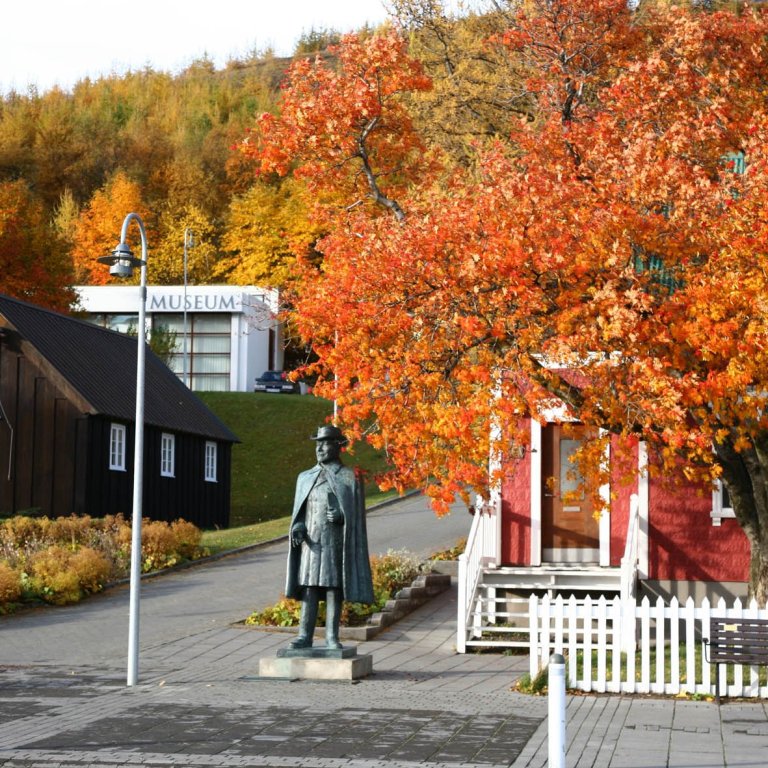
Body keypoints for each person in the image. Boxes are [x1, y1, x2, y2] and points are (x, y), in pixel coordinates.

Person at [285, 425, 374, 649]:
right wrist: (298, 527)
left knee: (334, 588)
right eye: (318, 444)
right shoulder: (305, 477)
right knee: (309, 587)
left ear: (337, 446)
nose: (320, 448)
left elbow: (357, 517)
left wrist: (342, 516)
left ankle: (332, 637)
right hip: (311, 545)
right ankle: (304, 636)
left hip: (335, 544)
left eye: (325, 444)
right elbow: (299, 512)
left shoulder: (349, 477)